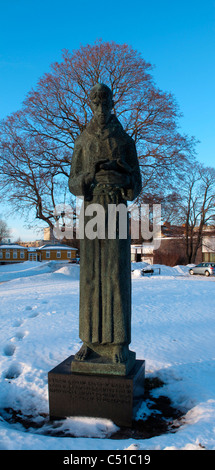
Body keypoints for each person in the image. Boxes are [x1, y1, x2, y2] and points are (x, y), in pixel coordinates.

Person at [69, 83, 142, 367]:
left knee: (115, 273)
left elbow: (137, 182)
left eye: (105, 100)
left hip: (115, 207)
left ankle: (118, 343)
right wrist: (88, 175)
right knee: (90, 276)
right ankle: (89, 341)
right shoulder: (83, 139)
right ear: (90, 103)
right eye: (96, 101)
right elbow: (73, 182)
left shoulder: (124, 140)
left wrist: (124, 177)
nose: (100, 106)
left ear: (112, 102)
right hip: (91, 209)